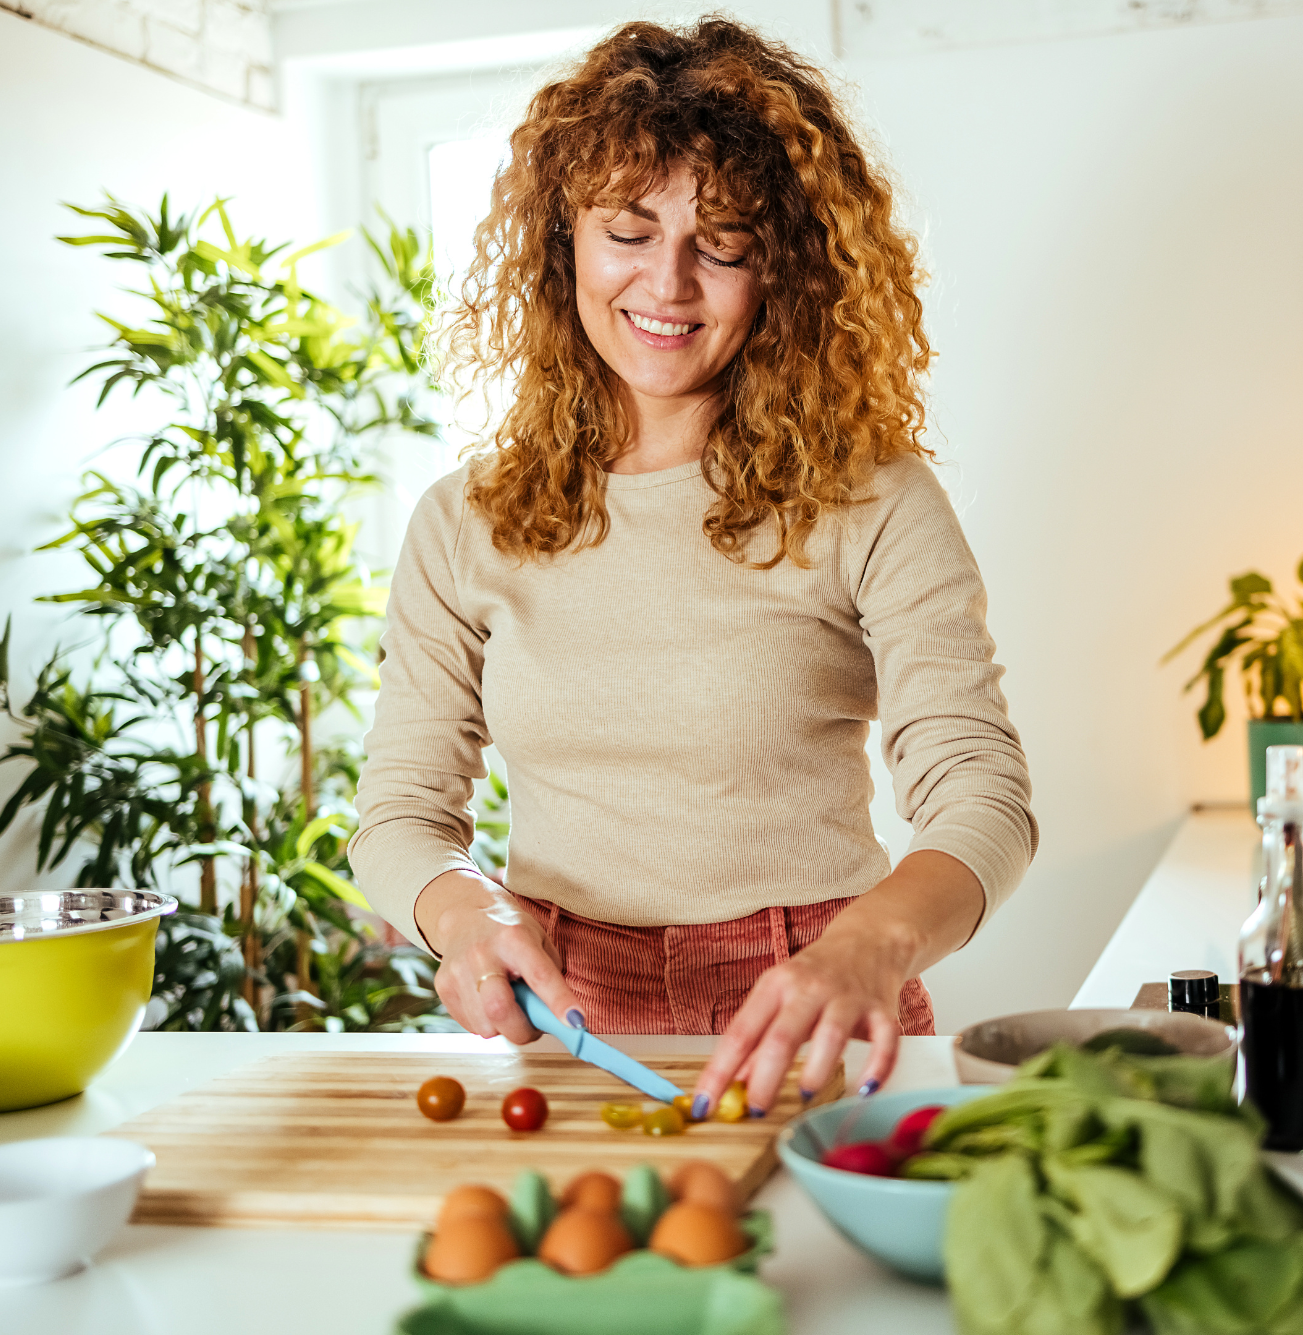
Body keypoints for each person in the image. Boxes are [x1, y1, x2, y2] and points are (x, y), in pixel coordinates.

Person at [347, 17, 1036, 1115]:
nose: (667, 284)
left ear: (784, 270)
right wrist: (465, 912)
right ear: (560, 241)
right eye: (627, 230)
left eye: (720, 243)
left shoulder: (872, 499)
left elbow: (981, 797)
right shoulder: (463, 521)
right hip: (565, 1012)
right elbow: (397, 809)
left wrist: (870, 947)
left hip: (811, 990)